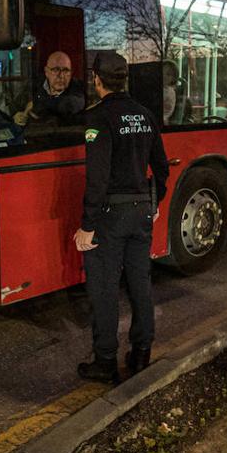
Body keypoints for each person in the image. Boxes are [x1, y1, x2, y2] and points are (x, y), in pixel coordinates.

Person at [74, 51, 170, 383]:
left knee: (104, 289)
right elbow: (161, 166)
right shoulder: (145, 115)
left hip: (110, 216)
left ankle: (104, 361)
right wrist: (155, 202)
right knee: (140, 283)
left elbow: (97, 179)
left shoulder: (98, 118)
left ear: (96, 80)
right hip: (141, 211)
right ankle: (142, 353)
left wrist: (87, 225)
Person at [13, 50, 86, 126]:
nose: (61, 76)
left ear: (71, 73)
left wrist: (37, 104)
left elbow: (69, 105)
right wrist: (17, 116)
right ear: (46, 72)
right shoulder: (35, 84)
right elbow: (17, 105)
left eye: (65, 70)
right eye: (55, 70)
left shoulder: (77, 86)